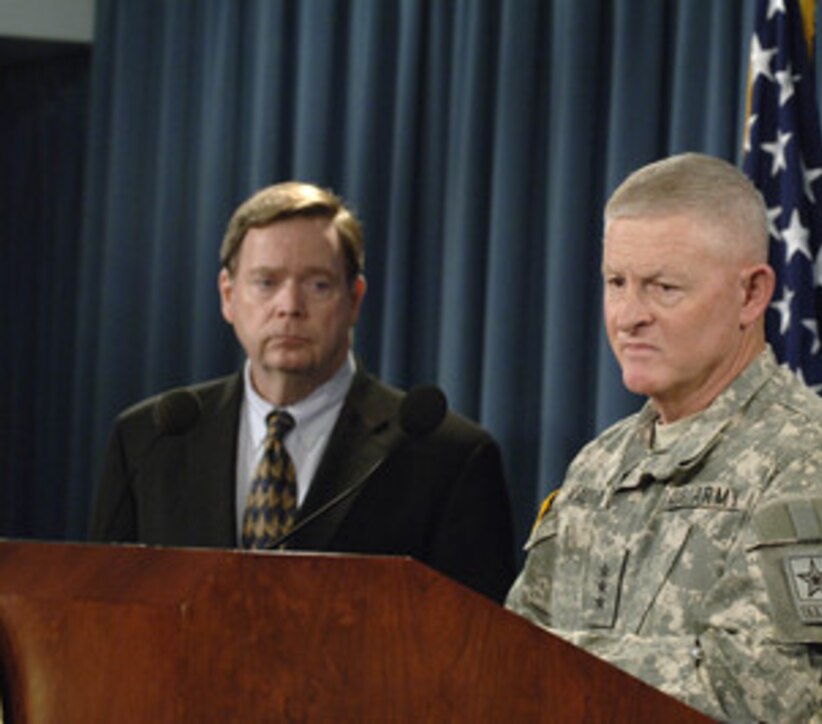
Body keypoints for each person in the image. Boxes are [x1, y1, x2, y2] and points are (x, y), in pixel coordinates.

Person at [505, 153, 822, 720]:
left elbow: (752, 694)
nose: (629, 315)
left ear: (751, 295)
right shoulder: (598, 466)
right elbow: (505, 655)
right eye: (616, 282)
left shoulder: (811, 462)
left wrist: (547, 663)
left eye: (663, 287)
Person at [89, 181, 515, 603]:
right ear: (228, 296)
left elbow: (475, 650)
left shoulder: (447, 456)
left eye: (318, 285)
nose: (289, 305)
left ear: (355, 299)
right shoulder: (149, 439)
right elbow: (103, 613)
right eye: (266, 282)